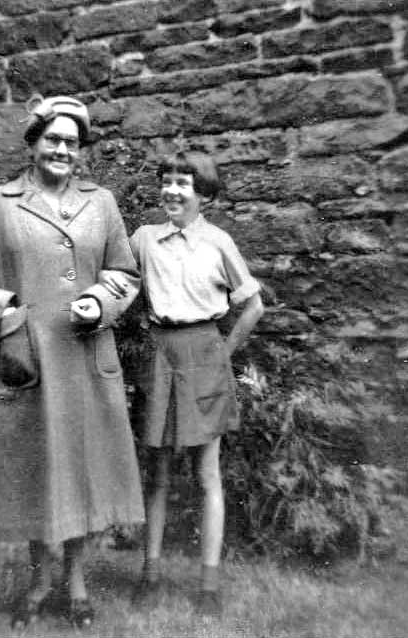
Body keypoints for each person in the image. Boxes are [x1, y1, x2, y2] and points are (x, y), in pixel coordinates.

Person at [0, 95, 144, 629]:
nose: (63, 149)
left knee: (84, 470)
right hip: (29, 358)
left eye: (73, 142)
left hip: (86, 355)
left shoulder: (101, 203)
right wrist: (8, 309)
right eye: (53, 139)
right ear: (33, 143)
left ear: (82, 151)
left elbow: (124, 273)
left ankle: (77, 582)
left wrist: (100, 302)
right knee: (36, 471)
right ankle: (39, 580)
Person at [103, 151, 264, 617]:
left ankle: (209, 584)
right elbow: (119, 286)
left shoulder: (218, 242)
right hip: (160, 355)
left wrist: (223, 354)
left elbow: (252, 306)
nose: (172, 190)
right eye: (167, 181)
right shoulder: (144, 239)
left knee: (207, 474)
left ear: (204, 195)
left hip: (204, 353)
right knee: (157, 472)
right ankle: (149, 574)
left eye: (184, 183)